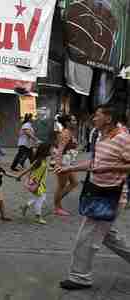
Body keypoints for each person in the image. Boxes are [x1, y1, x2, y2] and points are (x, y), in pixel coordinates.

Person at [57, 104, 130, 290]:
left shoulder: (123, 138)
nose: (93, 119)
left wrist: (108, 168)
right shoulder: (100, 136)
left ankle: (80, 277)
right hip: (98, 193)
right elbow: (95, 162)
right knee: (109, 237)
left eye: (97, 115)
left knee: (86, 239)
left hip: (110, 197)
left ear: (108, 118)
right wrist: (70, 168)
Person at [52, 114, 79, 216]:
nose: (75, 122)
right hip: (63, 162)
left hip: (68, 162)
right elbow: (60, 150)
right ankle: (57, 207)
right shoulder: (66, 133)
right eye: (73, 120)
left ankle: (57, 200)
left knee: (75, 182)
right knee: (61, 185)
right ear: (67, 123)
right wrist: (58, 165)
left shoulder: (70, 132)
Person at [17, 143, 51, 224]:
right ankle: (37, 217)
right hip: (36, 183)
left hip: (39, 182)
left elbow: (44, 170)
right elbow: (29, 169)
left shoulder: (43, 160)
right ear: (45, 151)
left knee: (40, 198)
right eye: (49, 149)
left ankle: (25, 206)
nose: (51, 150)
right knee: (40, 199)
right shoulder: (38, 161)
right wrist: (19, 176)